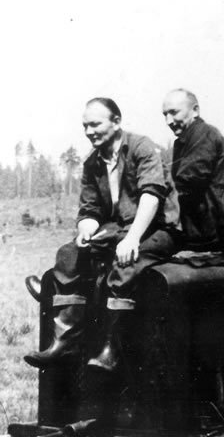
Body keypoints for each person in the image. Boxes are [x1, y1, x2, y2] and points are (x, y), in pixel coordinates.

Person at [25, 98, 178, 372]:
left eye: (95, 124)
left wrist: (132, 239)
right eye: (85, 126)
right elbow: (90, 209)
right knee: (69, 254)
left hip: (157, 228)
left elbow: (152, 196)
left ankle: (112, 348)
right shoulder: (93, 162)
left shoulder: (142, 147)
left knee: (125, 263)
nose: (89, 131)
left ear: (116, 122)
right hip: (117, 228)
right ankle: (65, 341)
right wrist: (86, 228)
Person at [162, 89, 224, 262]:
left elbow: (188, 181)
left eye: (174, 112)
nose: (168, 121)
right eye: (165, 115)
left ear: (195, 110)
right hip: (203, 231)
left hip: (214, 234)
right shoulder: (186, 139)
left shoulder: (204, 134)